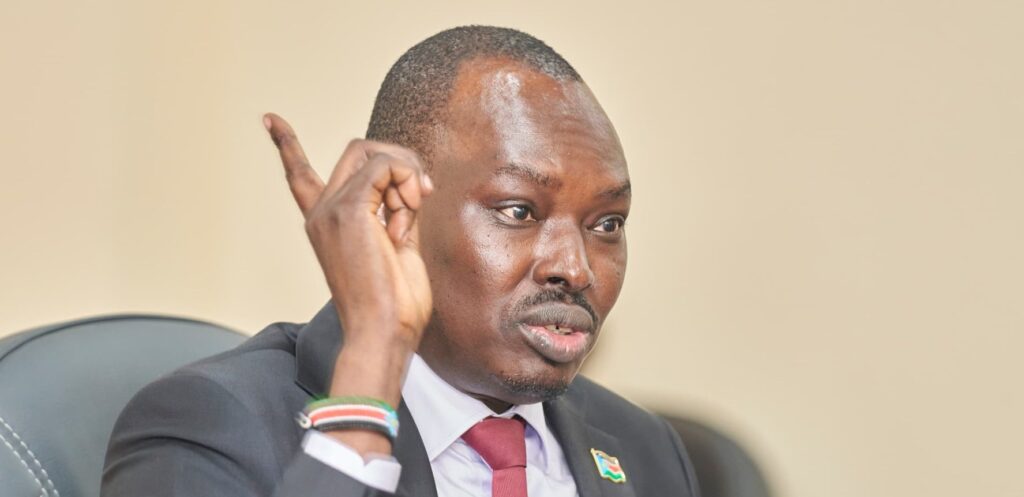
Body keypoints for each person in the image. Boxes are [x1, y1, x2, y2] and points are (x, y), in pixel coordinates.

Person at [101, 25, 700, 497]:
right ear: (397, 211)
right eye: (519, 211)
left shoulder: (645, 449)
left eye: (607, 224)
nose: (576, 268)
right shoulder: (211, 422)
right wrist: (368, 377)